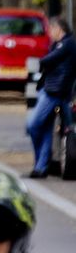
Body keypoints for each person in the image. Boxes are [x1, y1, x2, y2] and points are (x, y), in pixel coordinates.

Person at [26, 16, 76, 178]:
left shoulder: (67, 44)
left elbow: (48, 60)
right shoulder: (57, 44)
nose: (49, 33)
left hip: (54, 91)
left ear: (58, 29)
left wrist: (39, 62)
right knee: (45, 128)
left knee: (33, 126)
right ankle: (40, 167)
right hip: (49, 88)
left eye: (51, 29)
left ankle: (43, 162)